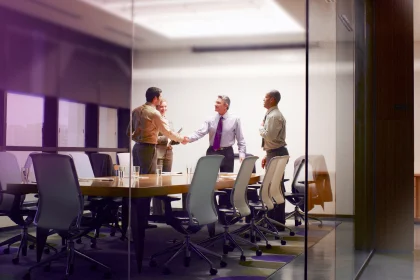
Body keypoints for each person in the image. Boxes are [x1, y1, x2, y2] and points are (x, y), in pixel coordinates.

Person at [128, 87, 187, 174]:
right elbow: (168, 132)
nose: (160, 99)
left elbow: (128, 132)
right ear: (155, 98)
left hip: (136, 148)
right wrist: (182, 139)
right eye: (160, 97)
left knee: (138, 177)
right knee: (149, 179)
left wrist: (138, 139)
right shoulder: (154, 113)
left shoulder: (136, 110)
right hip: (148, 148)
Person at [186, 95, 246, 172]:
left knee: (226, 180)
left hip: (227, 153)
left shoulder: (235, 120)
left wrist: (242, 153)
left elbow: (240, 139)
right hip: (212, 151)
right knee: (209, 179)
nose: (215, 104)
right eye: (215, 102)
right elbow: (200, 133)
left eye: (218, 103)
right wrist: (187, 138)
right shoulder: (210, 120)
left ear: (225, 105)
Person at [260, 89, 289, 230]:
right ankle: (277, 222)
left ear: (272, 99)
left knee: (274, 188)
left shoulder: (273, 116)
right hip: (274, 152)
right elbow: (274, 139)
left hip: (276, 153)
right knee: (275, 187)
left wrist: (260, 128)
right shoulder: (272, 114)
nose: (263, 100)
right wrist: (267, 154)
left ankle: (276, 222)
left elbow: (270, 137)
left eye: (265, 97)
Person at [156, 99, 174, 172]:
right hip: (158, 153)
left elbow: (172, 135)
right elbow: (153, 138)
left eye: (165, 106)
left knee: (167, 178)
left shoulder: (169, 121)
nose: (164, 109)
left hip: (169, 152)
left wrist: (177, 139)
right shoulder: (154, 120)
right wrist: (167, 139)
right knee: (158, 178)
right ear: (157, 108)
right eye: (161, 107)